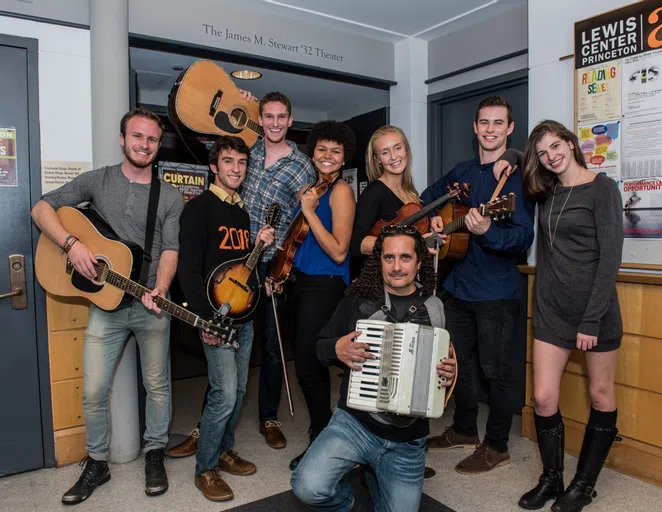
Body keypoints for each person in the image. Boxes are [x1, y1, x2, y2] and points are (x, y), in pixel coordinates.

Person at [31, 107, 185, 504]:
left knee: (158, 388)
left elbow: (170, 249)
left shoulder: (168, 196)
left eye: (152, 139)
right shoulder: (98, 180)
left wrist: (163, 288)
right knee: (95, 389)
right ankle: (96, 462)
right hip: (105, 305)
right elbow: (41, 209)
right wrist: (72, 244)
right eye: (137, 136)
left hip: (150, 303)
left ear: (158, 146)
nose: (144, 145)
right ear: (123, 139)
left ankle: (154, 453)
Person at [167, 91, 315, 456]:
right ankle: (208, 430)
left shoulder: (303, 166)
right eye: (268, 116)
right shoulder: (250, 149)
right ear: (260, 119)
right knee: (224, 358)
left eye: (282, 117)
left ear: (291, 120)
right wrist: (240, 99)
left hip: (269, 260)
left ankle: (268, 418)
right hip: (228, 257)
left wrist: (283, 265)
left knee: (268, 345)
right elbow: (219, 131)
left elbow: (304, 219)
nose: (275, 123)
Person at [291, 228, 457, 511]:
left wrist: (449, 375)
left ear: (419, 263)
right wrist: (336, 349)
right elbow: (319, 349)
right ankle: (348, 501)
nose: (396, 266)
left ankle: (374, 475)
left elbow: (444, 369)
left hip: (408, 439)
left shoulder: (436, 309)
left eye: (405, 257)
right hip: (355, 424)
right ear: (378, 261)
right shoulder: (356, 303)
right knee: (307, 486)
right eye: (388, 257)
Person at [422, 96, 535, 474]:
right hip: (457, 287)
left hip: (497, 292)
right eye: (484, 122)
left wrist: (487, 231)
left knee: (496, 370)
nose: (490, 129)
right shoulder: (462, 170)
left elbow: (522, 238)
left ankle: (498, 444)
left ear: (509, 128)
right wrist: (437, 221)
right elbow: (426, 197)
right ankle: (464, 428)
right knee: (457, 363)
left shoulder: (517, 177)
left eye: (498, 123)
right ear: (475, 127)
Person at [515, 120, 622, 512]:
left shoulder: (602, 188)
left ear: (571, 143)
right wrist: (512, 158)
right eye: (542, 153)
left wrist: (591, 320)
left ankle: (584, 484)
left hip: (596, 313)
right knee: (543, 398)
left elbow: (610, 258)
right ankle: (551, 478)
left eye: (556, 146)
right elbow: (516, 165)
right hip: (551, 311)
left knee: (600, 393)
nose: (551, 156)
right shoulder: (546, 193)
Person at [176, 135, 275, 501]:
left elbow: (236, 267)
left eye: (242, 162)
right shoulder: (198, 209)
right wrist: (205, 321)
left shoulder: (241, 211)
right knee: (224, 393)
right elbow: (188, 271)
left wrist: (258, 247)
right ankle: (206, 468)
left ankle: (225, 449)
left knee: (241, 390)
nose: (236, 169)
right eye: (229, 161)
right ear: (214, 167)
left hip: (243, 317)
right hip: (214, 320)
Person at [278, 121, 357, 470]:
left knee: (312, 364)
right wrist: (280, 272)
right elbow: (301, 242)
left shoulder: (340, 191)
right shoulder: (312, 188)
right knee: (306, 365)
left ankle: (321, 438)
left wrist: (308, 211)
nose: (327, 156)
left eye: (335, 151)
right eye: (322, 149)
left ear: (343, 158)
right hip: (303, 282)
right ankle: (323, 433)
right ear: (313, 153)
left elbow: (340, 251)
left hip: (327, 283)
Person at [351, 125, 421, 256]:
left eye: (398, 148)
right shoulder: (373, 193)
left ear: (406, 149)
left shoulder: (410, 191)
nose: (393, 156)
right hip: (383, 274)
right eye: (385, 152)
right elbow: (357, 243)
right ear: (377, 159)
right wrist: (411, 245)